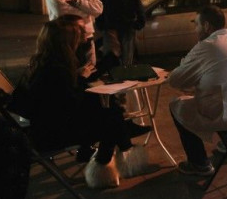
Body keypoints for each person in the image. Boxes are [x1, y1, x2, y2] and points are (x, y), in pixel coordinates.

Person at [22, 19, 148, 188]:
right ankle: (115, 153)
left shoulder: (45, 62)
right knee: (111, 119)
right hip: (52, 134)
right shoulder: (55, 70)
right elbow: (69, 102)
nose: (81, 40)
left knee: (109, 111)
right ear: (65, 43)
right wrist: (81, 79)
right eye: (77, 38)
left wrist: (80, 76)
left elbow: (65, 99)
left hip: (48, 125)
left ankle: (110, 159)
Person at [168, 5, 227, 176]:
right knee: (225, 95)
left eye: (197, 25)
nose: (195, 30)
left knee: (178, 105)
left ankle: (199, 163)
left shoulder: (207, 46)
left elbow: (175, 79)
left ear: (206, 26)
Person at [46, 0, 103, 67]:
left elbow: (99, 10)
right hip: (66, 38)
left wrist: (78, 3)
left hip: (87, 36)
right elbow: (62, 11)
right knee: (68, 68)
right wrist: (87, 11)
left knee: (90, 67)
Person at [98, 0, 146, 66]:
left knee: (127, 59)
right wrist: (101, 25)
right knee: (110, 58)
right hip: (110, 29)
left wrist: (137, 25)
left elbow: (140, 10)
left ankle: (126, 78)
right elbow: (99, 11)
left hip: (127, 29)